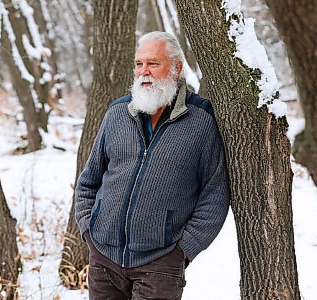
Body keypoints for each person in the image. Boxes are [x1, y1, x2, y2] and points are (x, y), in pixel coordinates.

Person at [75, 31, 230, 299]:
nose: (144, 72)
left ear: (177, 67)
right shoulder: (117, 113)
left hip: (160, 263)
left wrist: (182, 251)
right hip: (103, 258)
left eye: (153, 64)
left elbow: (215, 194)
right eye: (139, 64)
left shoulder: (201, 120)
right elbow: (89, 180)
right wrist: (89, 230)